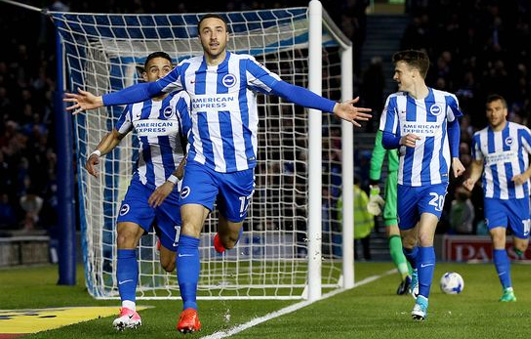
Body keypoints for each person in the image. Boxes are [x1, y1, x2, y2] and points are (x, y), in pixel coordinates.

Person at [64, 14, 371, 333]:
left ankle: (222, 241)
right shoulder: (187, 71)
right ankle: (189, 311)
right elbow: (149, 89)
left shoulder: (244, 67)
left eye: (219, 30)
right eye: (206, 31)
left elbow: (285, 90)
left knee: (230, 235)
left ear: (227, 35)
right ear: (199, 38)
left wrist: (333, 107)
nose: (213, 36)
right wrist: (101, 100)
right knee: (189, 229)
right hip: (201, 166)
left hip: (238, 170)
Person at [84, 52, 190, 330]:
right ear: (145, 76)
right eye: (153, 70)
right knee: (125, 234)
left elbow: (195, 149)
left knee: (168, 264)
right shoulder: (136, 104)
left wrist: (173, 181)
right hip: (142, 184)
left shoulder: (181, 101)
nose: (160, 74)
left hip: (175, 189)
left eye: (166, 69)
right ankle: (129, 309)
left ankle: (163, 240)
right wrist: (97, 152)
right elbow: (117, 133)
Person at [379, 49, 465, 320]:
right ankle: (415, 269)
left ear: (414, 73)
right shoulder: (394, 102)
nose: (395, 77)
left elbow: (454, 125)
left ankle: (423, 301)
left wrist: (454, 156)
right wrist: (401, 139)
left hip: (435, 181)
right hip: (406, 182)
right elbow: (386, 140)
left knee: (426, 237)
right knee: (409, 242)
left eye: (399, 72)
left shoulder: (446, 100)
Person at [463, 94, 531, 302]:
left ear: (505, 111)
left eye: (497, 109)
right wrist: (472, 179)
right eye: (490, 110)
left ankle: (517, 250)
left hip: (519, 196)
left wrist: (525, 175)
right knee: (497, 237)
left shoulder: (521, 132)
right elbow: (478, 163)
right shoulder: (479, 137)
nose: (493, 113)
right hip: (493, 196)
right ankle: (508, 290)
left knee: (521, 246)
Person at [367, 130, 411, 294]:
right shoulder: (420, 115)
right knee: (417, 230)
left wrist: (374, 183)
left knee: (393, 229)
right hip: (420, 177)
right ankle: (417, 278)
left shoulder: (387, 125)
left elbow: (378, 154)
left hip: (396, 178)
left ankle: (406, 275)